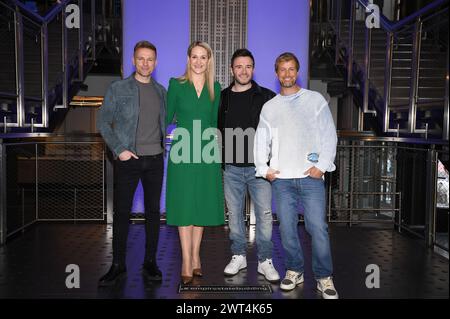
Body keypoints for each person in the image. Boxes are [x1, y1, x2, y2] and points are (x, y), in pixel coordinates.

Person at [254, 52, 339, 299]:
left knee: (317, 228)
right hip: (282, 180)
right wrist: (264, 169)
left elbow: (328, 135)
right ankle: (294, 270)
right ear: (276, 73)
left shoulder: (315, 100)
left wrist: (322, 166)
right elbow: (261, 141)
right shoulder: (270, 107)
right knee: (288, 230)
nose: (287, 74)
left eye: (291, 69)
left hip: (310, 177)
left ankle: (324, 277)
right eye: (283, 70)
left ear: (297, 71)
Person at [96, 40, 166, 286]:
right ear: (133, 61)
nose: (145, 63)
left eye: (150, 59)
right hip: (128, 161)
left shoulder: (161, 91)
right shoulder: (118, 88)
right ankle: (118, 265)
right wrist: (119, 150)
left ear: (155, 63)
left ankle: (150, 262)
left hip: (156, 160)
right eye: (141, 58)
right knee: (122, 214)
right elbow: (103, 122)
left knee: (153, 214)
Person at [217, 49, 279, 282]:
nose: (244, 71)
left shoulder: (267, 97)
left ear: (253, 68)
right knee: (234, 216)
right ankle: (238, 256)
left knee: (264, 216)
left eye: (248, 66)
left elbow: (278, 130)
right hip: (231, 168)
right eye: (239, 66)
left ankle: (265, 261)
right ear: (232, 69)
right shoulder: (223, 97)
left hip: (259, 169)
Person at [166, 41, 224, 285]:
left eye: (203, 57)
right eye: (194, 57)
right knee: (184, 205)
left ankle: (196, 255)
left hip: (207, 152)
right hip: (182, 151)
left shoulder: (216, 87)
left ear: (209, 60)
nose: (198, 62)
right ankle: (186, 260)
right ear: (188, 58)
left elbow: (213, 122)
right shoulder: (176, 85)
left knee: (200, 205)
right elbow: (166, 117)